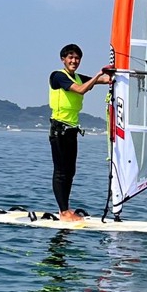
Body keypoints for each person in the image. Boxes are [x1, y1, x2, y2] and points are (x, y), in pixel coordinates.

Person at [48, 43, 113, 218]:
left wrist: (113, 76)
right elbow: (81, 90)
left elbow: (99, 80)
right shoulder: (58, 76)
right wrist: (99, 75)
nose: (74, 61)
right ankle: (63, 211)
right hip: (59, 130)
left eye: (77, 58)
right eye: (70, 57)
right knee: (61, 172)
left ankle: (65, 208)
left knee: (70, 171)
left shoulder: (76, 76)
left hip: (71, 131)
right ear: (63, 59)